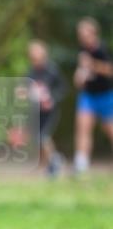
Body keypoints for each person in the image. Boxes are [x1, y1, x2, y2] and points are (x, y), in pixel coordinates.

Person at [72, 17, 113, 173]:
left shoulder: (102, 49)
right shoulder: (82, 51)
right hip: (88, 96)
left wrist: (93, 65)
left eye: (84, 34)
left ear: (94, 33)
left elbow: (109, 70)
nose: (82, 38)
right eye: (80, 35)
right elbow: (82, 72)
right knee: (83, 128)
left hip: (106, 96)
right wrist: (79, 77)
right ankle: (81, 165)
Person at [27, 40, 66, 177]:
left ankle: (55, 162)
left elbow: (62, 88)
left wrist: (52, 99)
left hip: (50, 112)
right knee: (38, 138)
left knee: (43, 137)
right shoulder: (30, 72)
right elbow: (25, 89)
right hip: (37, 112)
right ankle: (49, 164)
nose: (35, 60)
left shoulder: (52, 70)